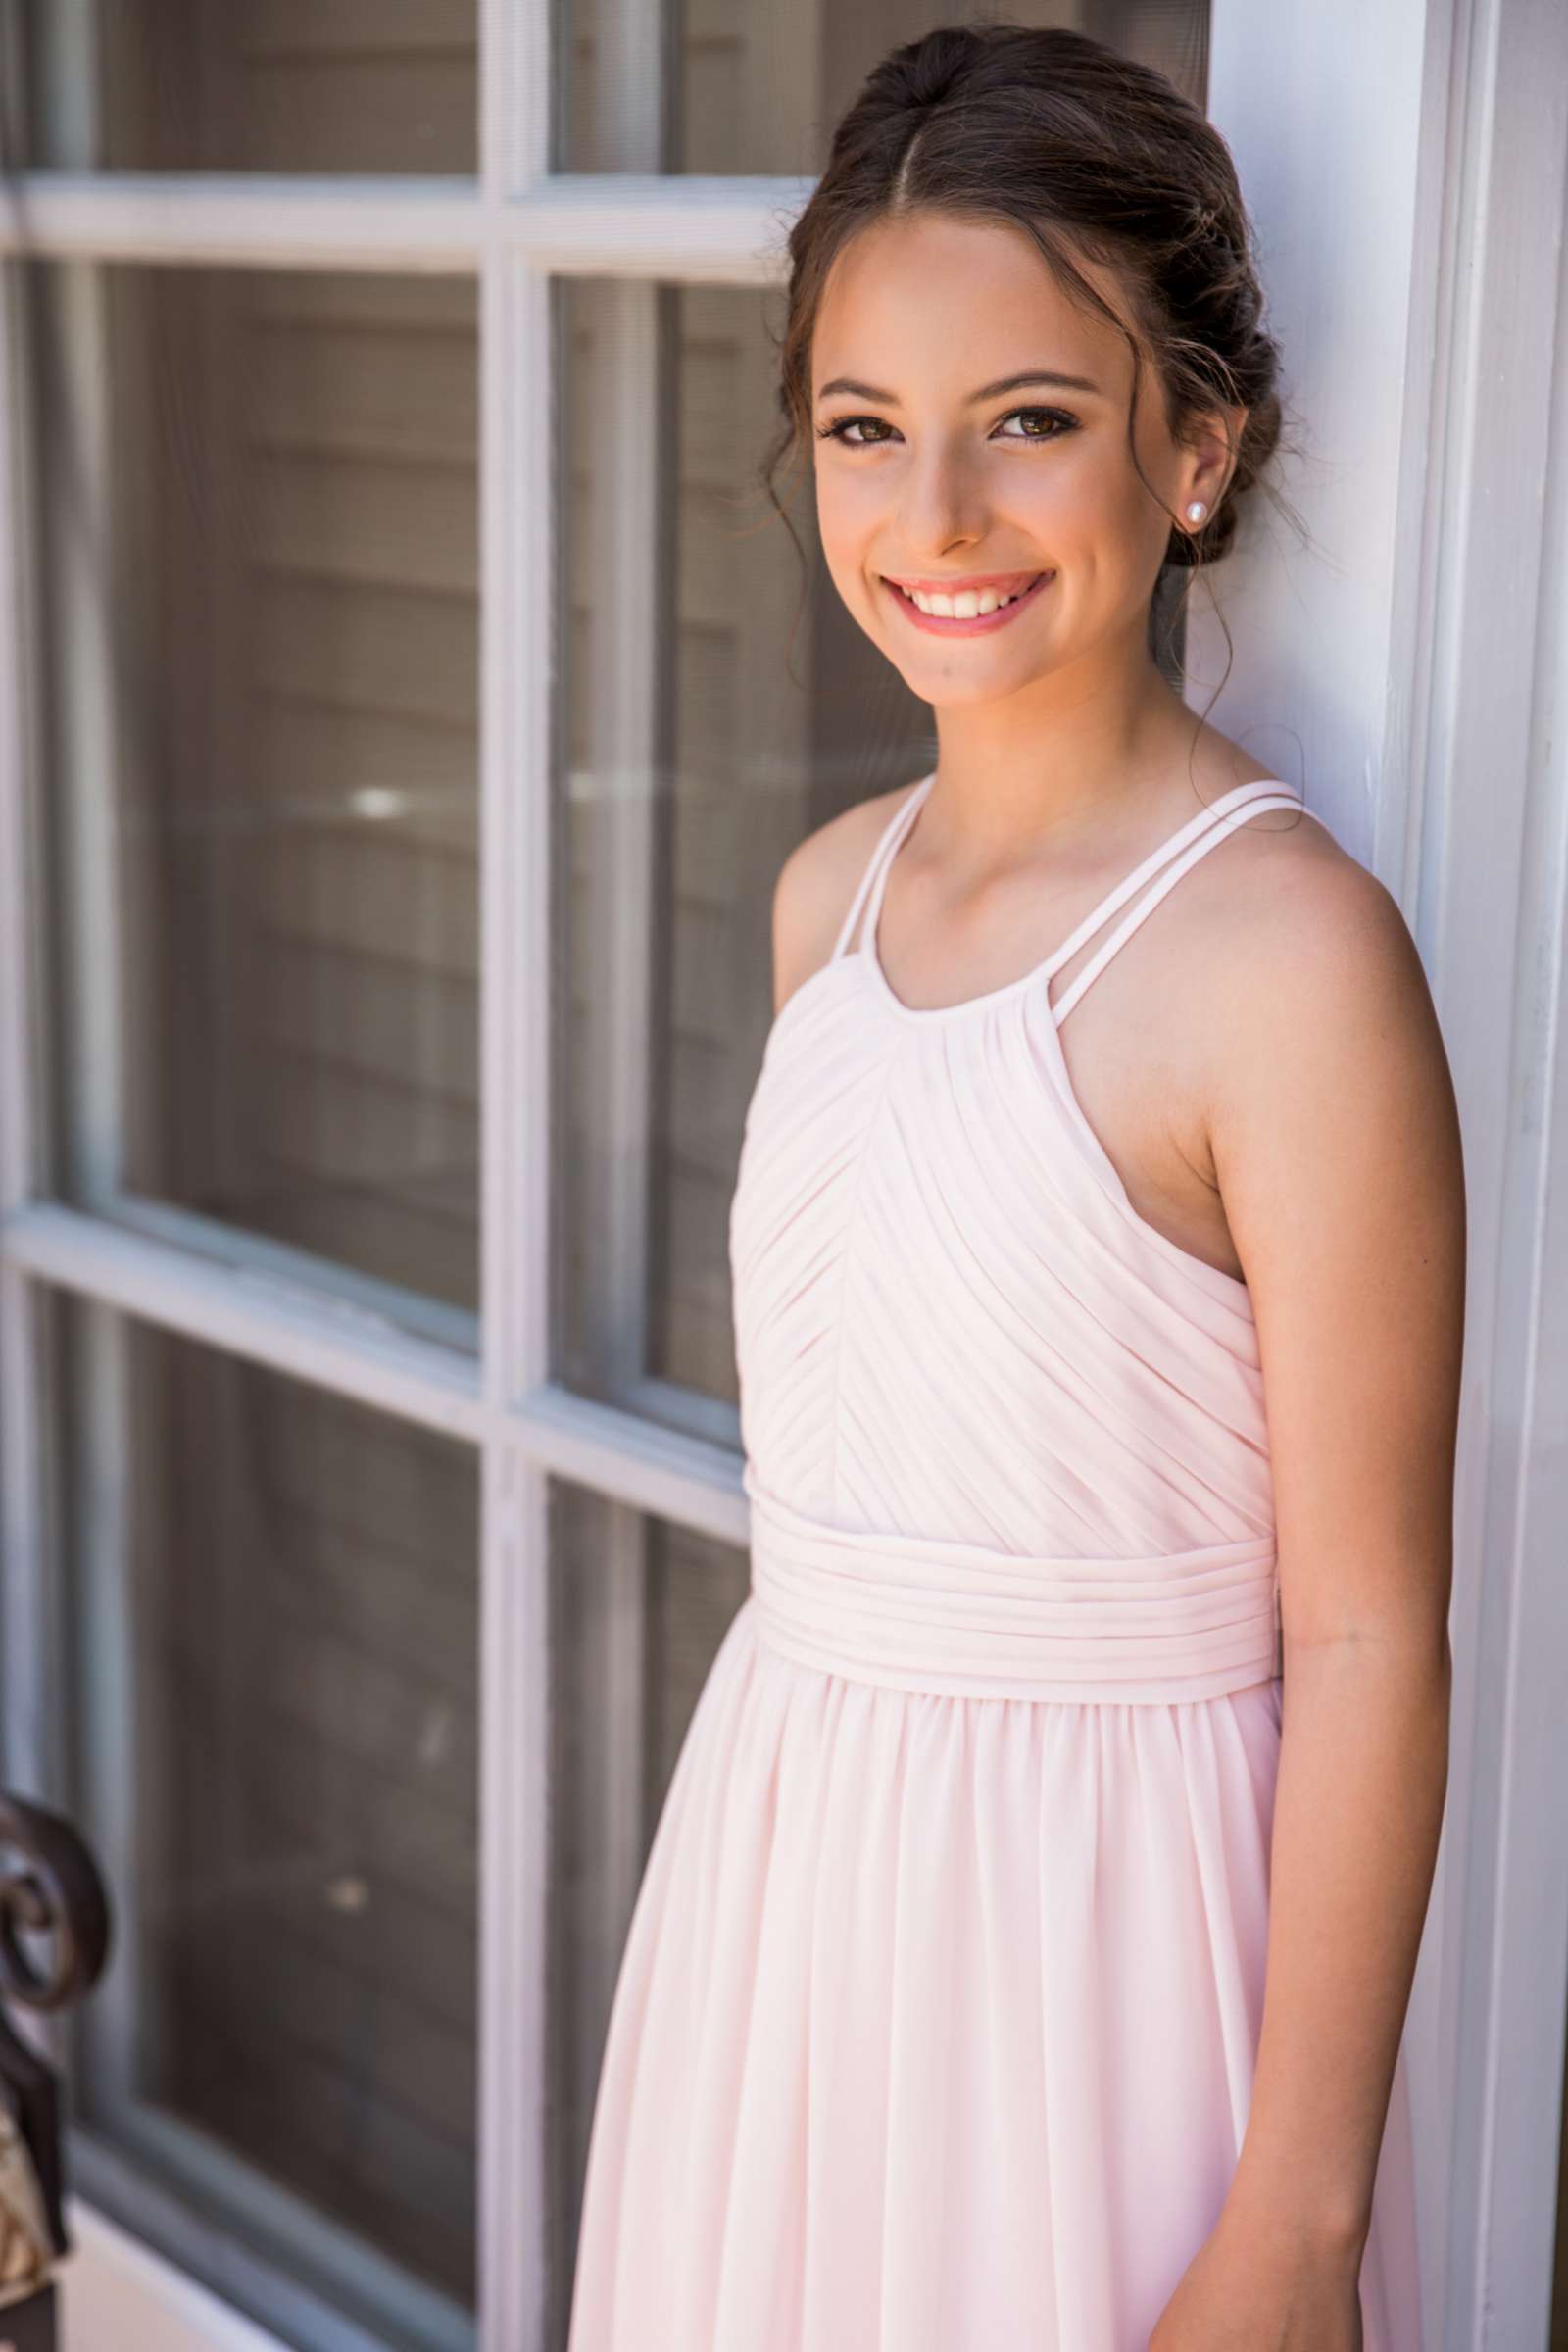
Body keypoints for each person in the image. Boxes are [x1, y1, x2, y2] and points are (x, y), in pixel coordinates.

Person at [566, 23, 1461, 2350]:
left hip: (1098, 1949)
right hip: (785, 1896)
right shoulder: (821, 904)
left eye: (1029, 423)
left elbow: (1364, 1634)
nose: (935, 517)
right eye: (865, 429)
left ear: (1197, 448)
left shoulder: (1282, 959)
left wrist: (1292, 2226)